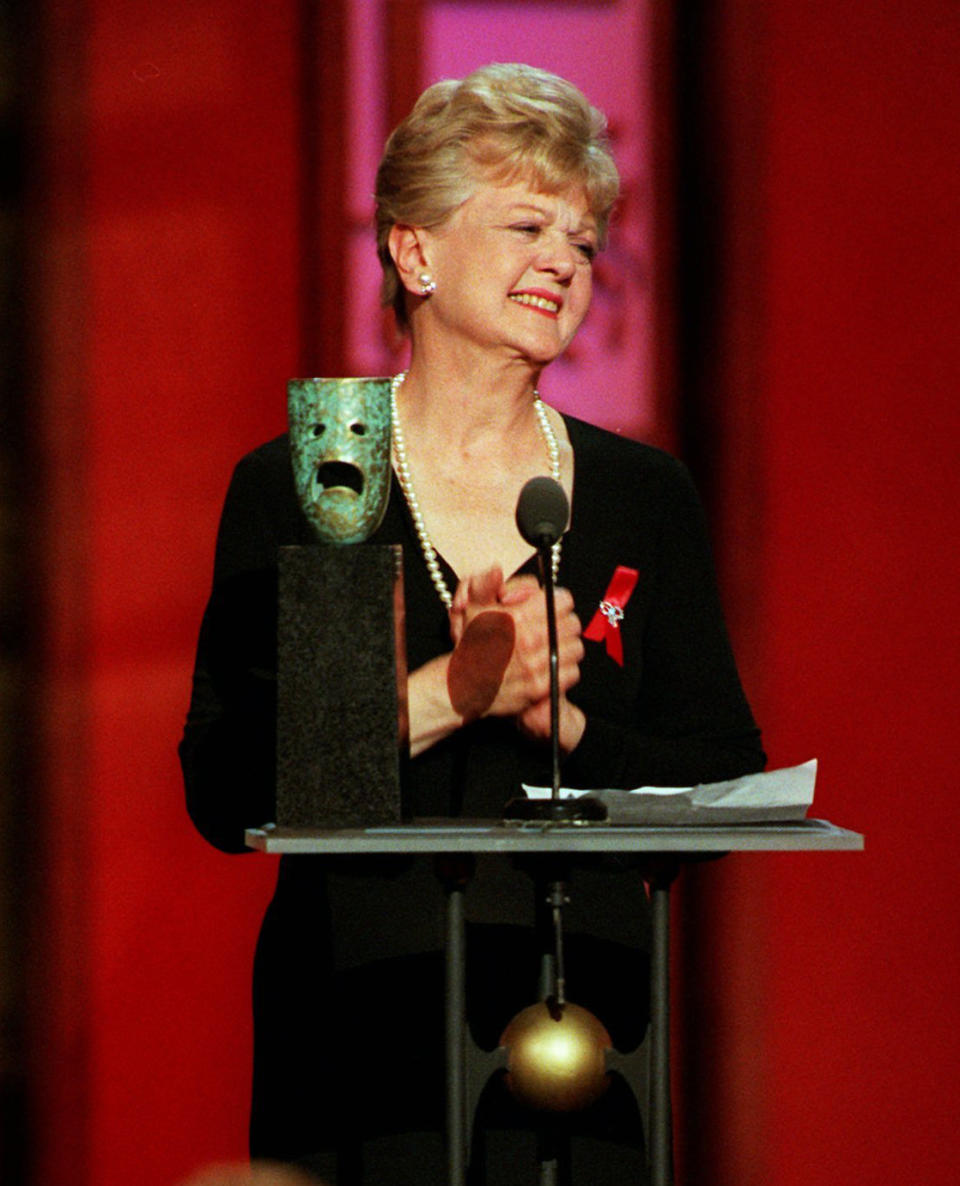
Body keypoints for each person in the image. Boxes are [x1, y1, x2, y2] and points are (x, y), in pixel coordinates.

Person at [180, 63, 764, 1185]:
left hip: (587, 1050)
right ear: (414, 251)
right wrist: (454, 692)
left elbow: (722, 774)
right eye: (527, 224)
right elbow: (231, 787)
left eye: (585, 240)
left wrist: (565, 718)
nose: (564, 260)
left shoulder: (640, 496)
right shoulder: (326, 477)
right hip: (369, 1044)